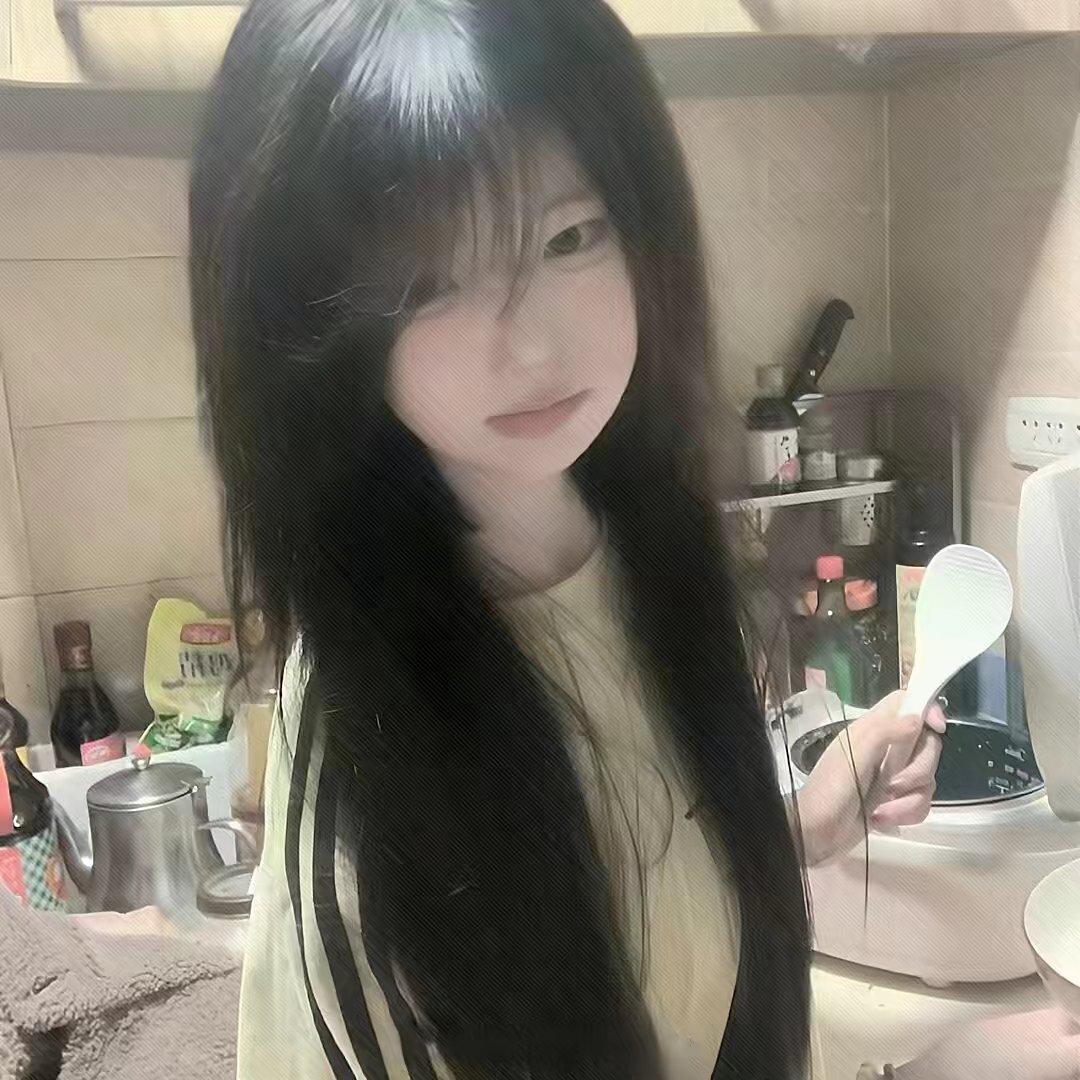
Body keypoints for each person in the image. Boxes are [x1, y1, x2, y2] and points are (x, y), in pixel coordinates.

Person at [187, 1, 1079, 1077]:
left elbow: (617, 917)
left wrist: (799, 824)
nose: (531, 346)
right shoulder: (363, 741)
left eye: (568, 237)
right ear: (313, 322)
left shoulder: (639, 540)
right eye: (427, 282)